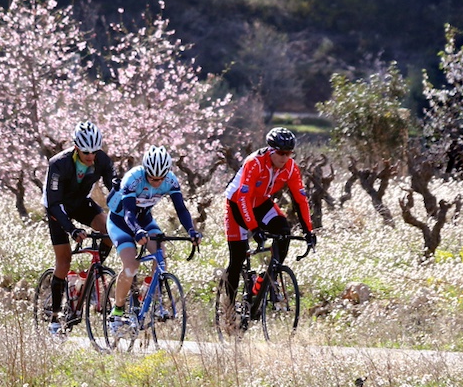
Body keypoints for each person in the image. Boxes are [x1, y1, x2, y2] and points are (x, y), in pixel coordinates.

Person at [222, 127, 316, 320]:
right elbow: (243, 199)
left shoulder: (290, 168)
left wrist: (309, 231)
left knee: (284, 232)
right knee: (238, 257)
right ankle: (229, 311)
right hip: (237, 204)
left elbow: (300, 200)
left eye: (289, 153)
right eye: (281, 153)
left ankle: (265, 282)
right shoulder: (254, 163)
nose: (284, 157)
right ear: (271, 150)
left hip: (261, 203)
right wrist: (254, 229)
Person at [105, 146, 200, 333]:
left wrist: (191, 230)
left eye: (161, 178)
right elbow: (129, 213)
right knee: (131, 266)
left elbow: (181, 209)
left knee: (160, 256)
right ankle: (117, 310)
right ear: (146, 171)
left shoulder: (171, 180)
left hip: (145, 220)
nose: (157, 182)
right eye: (153, 178)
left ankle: (152, 298)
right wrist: (137, 231)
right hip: (121, 221)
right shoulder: (133, 179)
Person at [42, 121, 116, 326]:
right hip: (58, 208)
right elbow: (54, 203)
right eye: (86, 153)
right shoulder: (58, 164)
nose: (91, 156)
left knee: (109, 230)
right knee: (64, 261)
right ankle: (55, 318)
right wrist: (72, 230)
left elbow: (115, 190)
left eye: (95, 151)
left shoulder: (102, 160)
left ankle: (94, 272)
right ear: (76, 147)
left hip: (81, 203)